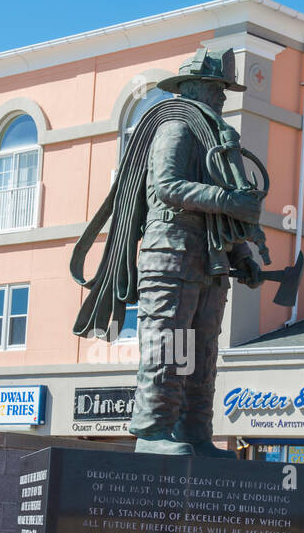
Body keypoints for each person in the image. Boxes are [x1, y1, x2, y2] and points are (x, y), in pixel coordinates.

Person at [70, 48, 265, 458]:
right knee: (169, 346)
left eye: (224, 89)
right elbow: (167, 185)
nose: (222, 97)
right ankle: (153, 430)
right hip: (171, 255)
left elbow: (222, 218)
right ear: (194, 87)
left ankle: (194, 432)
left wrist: (243, 253)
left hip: (211, 258)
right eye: (217, 88)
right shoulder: (176, 127)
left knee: (201, 353)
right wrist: (228, 200)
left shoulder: (215, 135)